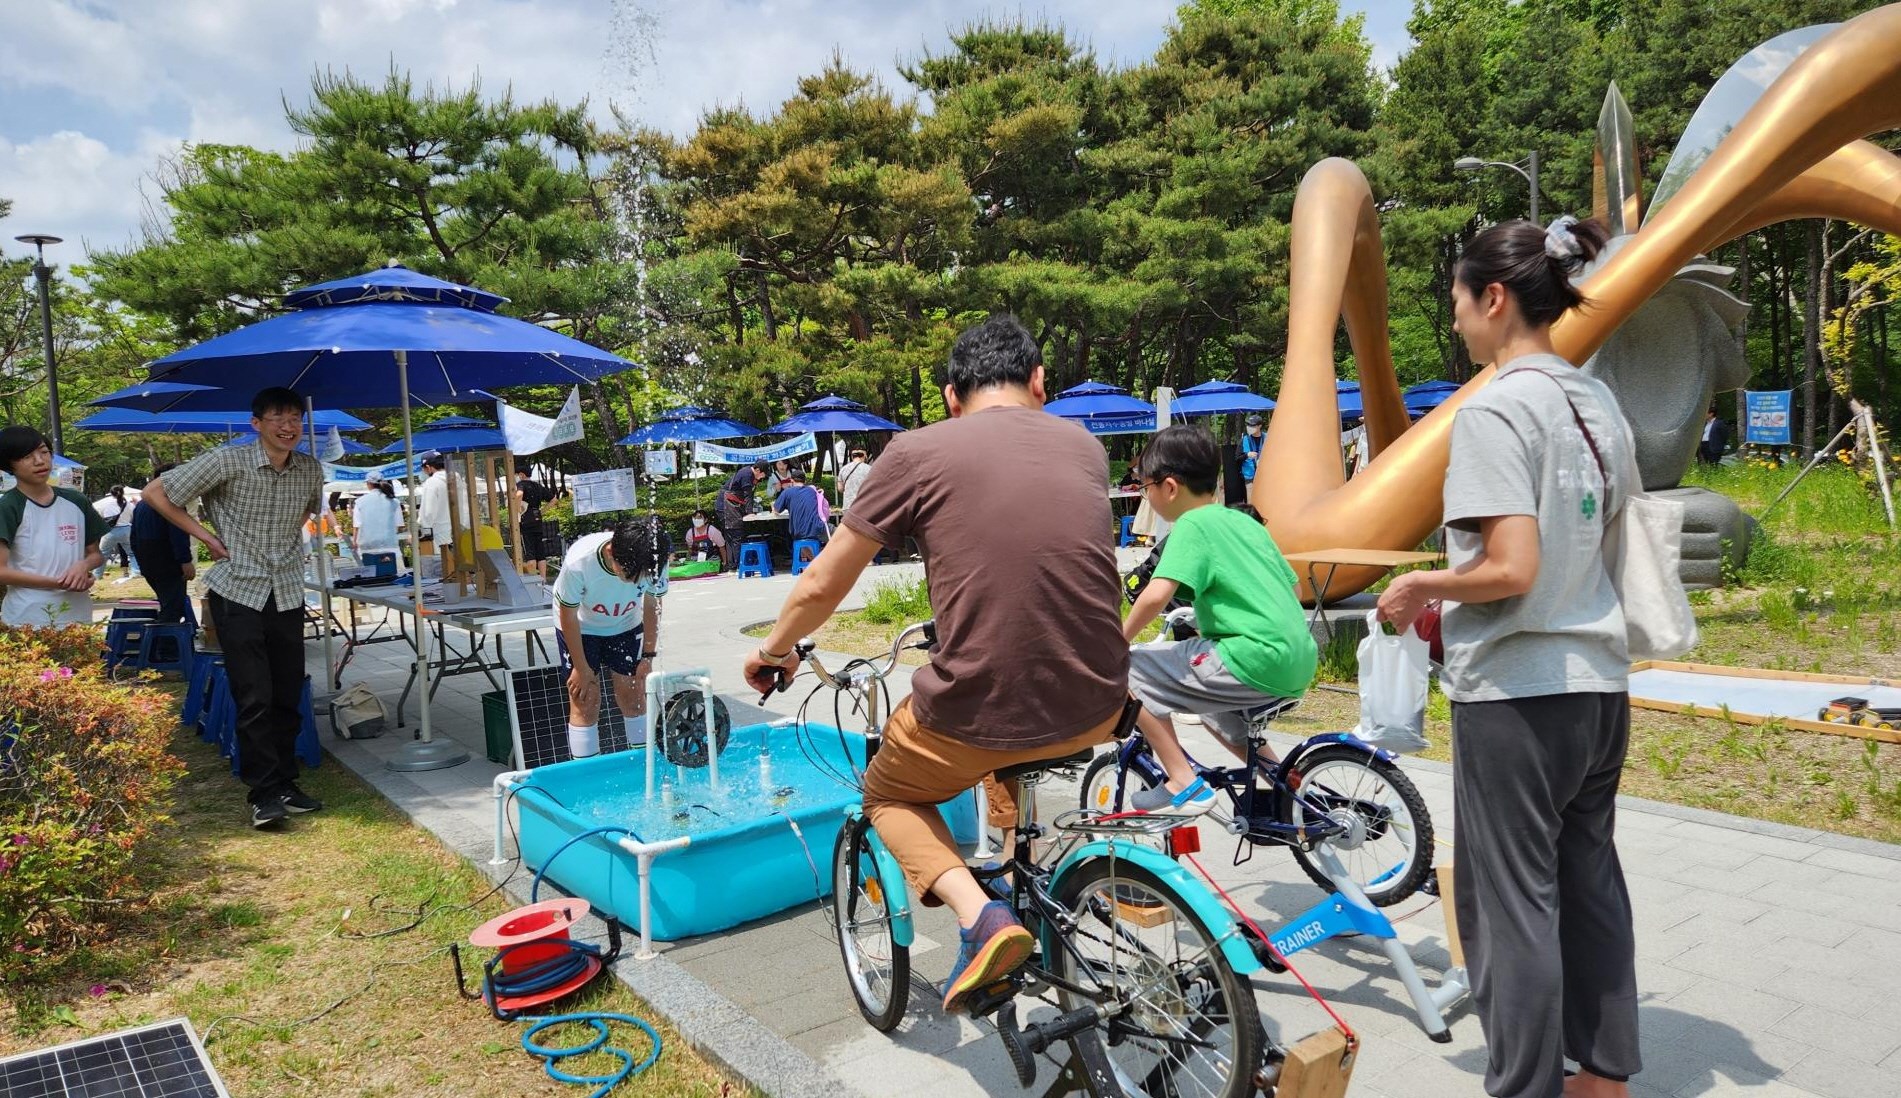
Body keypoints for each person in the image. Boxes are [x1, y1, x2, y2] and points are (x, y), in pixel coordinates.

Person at [742, 314, 1130, 1014]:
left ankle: (980, 918)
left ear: (952, 396)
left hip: (981, 712)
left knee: (888, 794)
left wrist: (773, 652)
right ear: (1039, 382)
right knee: (1008, 745)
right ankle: (1025, 881)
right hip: (1101, 703)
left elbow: (822, 583)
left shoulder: (915, 451)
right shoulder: (1084, 446)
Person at [1374, 215, 1639, 1098]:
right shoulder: (1596, 403)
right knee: (1589, 880)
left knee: (1509, 904)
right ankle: (1602, 1077)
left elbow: (1510, 567)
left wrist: (1420, 585)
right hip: (1598, 684)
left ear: (1492, 298)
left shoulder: (1493, 409)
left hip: (1518, 694)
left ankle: (1523, 1085)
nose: (1454, 320)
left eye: (1456, 301)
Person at [143, 387, 325, 830]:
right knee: (254, 693)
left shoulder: (309, 468)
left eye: (295, 419)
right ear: (256, 423)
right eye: (278, 418)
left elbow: (306, 513)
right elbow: (154, 493)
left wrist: (277, 545)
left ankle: (286, 781)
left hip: (286, 590)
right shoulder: (227, 460)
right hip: (238, 590)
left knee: (287, 690)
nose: (288, 427)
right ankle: (264, 793)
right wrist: (206, 536)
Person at [1118, 425, 1316, 813]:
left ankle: (1181, 779)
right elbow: (1292, 590)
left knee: (1127, 668)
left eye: (1146, 487)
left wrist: (1116, 639)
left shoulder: (1192, 524)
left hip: (1250, 658)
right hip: (1299, 660)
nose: (1147, 495)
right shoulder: (1244, 522)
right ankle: (1291, 789)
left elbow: (1155, 595)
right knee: (1212, 709)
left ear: (1169, 487)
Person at [553, 515, 669, 759]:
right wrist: (581, 668)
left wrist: (648, 656)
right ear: (611, 553)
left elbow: (652, 606)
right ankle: (587, 772)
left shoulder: (655, 557)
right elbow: (568, 615)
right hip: (581, 627)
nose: (636, 582)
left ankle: (644, 766)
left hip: (626, 624)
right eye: (630, 575)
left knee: (634, 696)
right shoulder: (579, 562)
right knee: (585, 698)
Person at [0, 426, 108, 628]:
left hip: (78, 617)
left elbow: (95, 554)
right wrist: (61, 583)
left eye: (44, 452)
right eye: (26, 456)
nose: (40, 461)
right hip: (27, 620)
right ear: (8, 464)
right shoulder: (7, 507)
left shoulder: (76, 500)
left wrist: (83, 566)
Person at [129, 464, 197, 625]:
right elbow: (178, 534)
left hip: (148, 562)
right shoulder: (171, 503)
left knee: (168, 604)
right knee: (172, 610)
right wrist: (185, 561)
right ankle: (165, 640)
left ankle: (165, 637)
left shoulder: (142, 504)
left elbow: (133, 538)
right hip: (168, 562)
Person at [352, 473, 401, 569]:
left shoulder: (360, 502)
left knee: (369, 576)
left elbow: (357, 526)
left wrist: (354, 542)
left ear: (369, 484)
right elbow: (398, 525)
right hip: (390, 546)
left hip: (367, 548)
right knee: (394, 574)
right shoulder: (394, 501)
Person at [717, 459, 767, 551]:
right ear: (758, 470)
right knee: (736, 535)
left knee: (738, 535)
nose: (763, 477)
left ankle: (736, 560)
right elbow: (747, 495)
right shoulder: (747, 474)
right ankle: (737, 560)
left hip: (733, 506)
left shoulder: (750, 474)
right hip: (726, 507)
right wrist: (750, 513)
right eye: (763, 474)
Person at [773, 468, 829, 544]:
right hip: (819, 529)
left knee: (801, 542)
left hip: (799, 532)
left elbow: (776, 510)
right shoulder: (812, 491)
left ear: (791, 480)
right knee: (839, 535)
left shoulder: (787, 492)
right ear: (805, 481)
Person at [515, 464, 554, 572]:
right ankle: (543, 579)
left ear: (522, 475)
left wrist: (517, 510)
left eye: (517, 475)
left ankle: (533, 578)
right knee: (540, 552)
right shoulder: (537, 486)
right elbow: (553, 500)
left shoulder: (521, 484)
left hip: (525, 519)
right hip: (537, 518)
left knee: (530, 551)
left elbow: (519, 495)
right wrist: (542, 511)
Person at [95, 485, 138, 579]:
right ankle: (136, 572)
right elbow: (133, 517)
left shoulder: (105, 503)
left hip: (109, 531)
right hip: (126, 530)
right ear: (123, 492)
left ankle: (97, 575)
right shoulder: (128, 504)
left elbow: (99, 515)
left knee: (103, 554)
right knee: (132, 553)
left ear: (111, 493)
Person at [417, 452, 451, 547]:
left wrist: (422, 529)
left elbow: (428, 512)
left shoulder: (431, 482)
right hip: (459, 532)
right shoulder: (457, 479)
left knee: (440, 556)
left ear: (428, 467)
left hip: (438, 534)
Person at [1239, 413, 1265, 486]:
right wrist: (1247, 455)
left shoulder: (1267, 438)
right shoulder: (1245, 439)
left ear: (1260, 426)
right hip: (1249, 477)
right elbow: (1237, 458)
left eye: (1252, 425)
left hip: (1265, 476)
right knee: (1251, 493)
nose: (1249, 427)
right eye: (1248, 425)